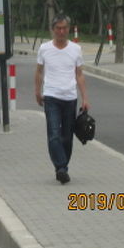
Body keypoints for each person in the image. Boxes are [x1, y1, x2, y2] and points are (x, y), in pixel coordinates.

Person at [34, 14, 90, 184]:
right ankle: (61, 168)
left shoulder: (75, 49)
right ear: (53, 30)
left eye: (64, 28)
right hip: (51, 96)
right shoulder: (44, 48)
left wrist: (84, 97)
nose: (61, 31)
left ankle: (62, 166)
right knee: (54, 135)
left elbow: (79, 74)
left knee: (67, 136)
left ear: (68, 29)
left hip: (70, 97)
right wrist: (37, 91)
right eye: (58, 28)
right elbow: (39, 71)